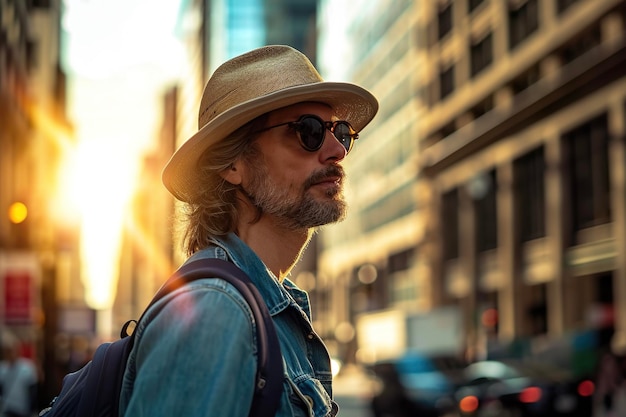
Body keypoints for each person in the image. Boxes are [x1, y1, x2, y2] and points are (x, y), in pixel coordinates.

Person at [119, 45, 378, 416]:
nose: (337, 149)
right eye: (309, 131)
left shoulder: (266, 303)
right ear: (233, 165)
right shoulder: (216, 312)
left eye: (340, 131)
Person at [0, 330, 38, 417]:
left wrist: (33, 411)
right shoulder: (2, 368)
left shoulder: (27, 367)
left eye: (13, 349)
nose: (11, 353)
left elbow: (32, 392)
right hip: (6, 410)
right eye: (8, 350)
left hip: (23, 410)